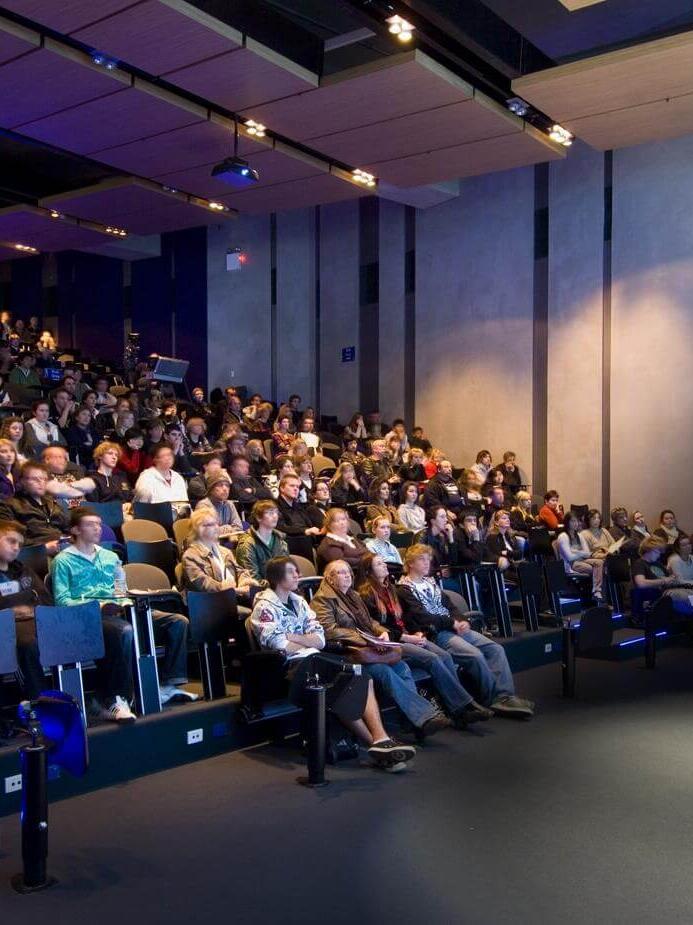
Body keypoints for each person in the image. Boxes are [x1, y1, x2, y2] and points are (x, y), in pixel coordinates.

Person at [251, 556, 416, 771]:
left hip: (315, 659)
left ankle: (379, 742)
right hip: (290, 667)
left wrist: (294, 637)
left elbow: (319, 639)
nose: (298, 575)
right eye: (292, 572)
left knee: (359, 675)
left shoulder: (299, 601)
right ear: (277, 577)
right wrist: (303, 639)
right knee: (341, 687)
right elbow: (278, 644)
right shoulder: (264, 607)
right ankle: (379, 742)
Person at [51, 508, 196, 718]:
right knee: (124, 631)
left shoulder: (110, 557)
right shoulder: (63, 561)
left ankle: (167, 684)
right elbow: (62, 601)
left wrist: (124, 600)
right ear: (75, 529)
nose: (97, 528)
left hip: (120, 609)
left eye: (99, 524)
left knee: (177, 621)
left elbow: (120, 589)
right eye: (90, 524)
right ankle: (117, 698)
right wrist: (97, 606)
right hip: (89, 617)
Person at [311, 560, 450, 739]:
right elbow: (329, 631)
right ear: (329, 578)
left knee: (402, 667)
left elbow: (371, 623)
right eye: (340, 572)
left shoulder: (353, 595)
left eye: (348, 572)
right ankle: (423, 718)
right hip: (348, 653)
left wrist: (382, 633)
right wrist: (366, 639)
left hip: (371, 647)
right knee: (384, 671)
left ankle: (413, 721)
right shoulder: (322, 599)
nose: (347, 575)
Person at [397, 545, 533, 716]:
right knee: (474, 655)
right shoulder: (404, 589)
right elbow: (423, 617)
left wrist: (461, 620)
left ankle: (505, 695)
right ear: (410, 563)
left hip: (453, 626)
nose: (427, 563)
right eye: (421, 559)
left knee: (495, 649)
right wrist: (451, 623)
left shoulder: (429, 582)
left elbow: (449, 605)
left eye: (428, 559)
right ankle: (493, 699)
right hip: (437, 632)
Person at [358, 553, 491, 727]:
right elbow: (376, 627)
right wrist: (408, 637)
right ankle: (462, 708)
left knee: (445, 656)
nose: (384, 566)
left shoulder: (391, 589)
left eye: (384, 562)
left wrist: (417, 632)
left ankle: (456, 707)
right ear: (369, 570)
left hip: (409, 635)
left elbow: (406, 618)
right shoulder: (365, 594)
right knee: (432, 658)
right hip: (393, 641)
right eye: (378, 564)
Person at [0, 519, 52, 698]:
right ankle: (39, 699)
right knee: (28, 643)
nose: (16, 548)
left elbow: (45, 599)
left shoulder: (24, 570)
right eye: (11, 541)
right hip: (6, 628)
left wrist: (18, 604)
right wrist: (24, 600)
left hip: (34, 622)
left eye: (20, 544)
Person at [181, 508, 259, 606]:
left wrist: (244, 581)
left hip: (231, 599)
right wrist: (231, 590)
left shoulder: (224, 551)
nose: (216, 528)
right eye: (210, 525)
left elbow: (239, 571)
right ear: (198, 529)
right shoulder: (190, 556)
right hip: (208, 605)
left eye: (216, 524)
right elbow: (203, 584)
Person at [0, 461, 69, 551]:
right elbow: (9, 537)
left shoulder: (52, 504)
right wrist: (42, 548)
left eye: (44, 479)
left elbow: (68, 528)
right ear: (22, 481)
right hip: (35, 553)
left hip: (62, 548)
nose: (41, 482)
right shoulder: (9, 505)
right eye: (35, 479)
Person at [632, 536, 693, 616]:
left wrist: (672, 579)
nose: (659, 554)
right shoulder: (640, 564)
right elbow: (641, 583)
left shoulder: (657, 564)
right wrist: (663, 581)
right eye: (657, 551)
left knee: (688, 596)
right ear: (649, 550)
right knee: (686, 597)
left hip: (669, 592)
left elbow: (670, 578)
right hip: (656, 595)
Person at [235, 500, 290, 582]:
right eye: (270, 513)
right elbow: (252, 579)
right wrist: (279, 586)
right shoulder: (247, 544)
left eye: (276, 512)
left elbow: (287, 570)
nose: (275, 516)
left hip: (280, 589)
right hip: (260, 592)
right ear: (258, 517)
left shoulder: (281, 541)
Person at [555, 510, 604, 600]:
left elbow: (587, 553)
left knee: (600, 562)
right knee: (595, 569)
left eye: (577, 521)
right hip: (571, 564)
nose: (576, 523)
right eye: (573, 521)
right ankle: (595, 592)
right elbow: (569, 557)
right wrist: (581, 553)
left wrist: (575, 551)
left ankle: (597, 591)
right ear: (567, 522)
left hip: (582, 560)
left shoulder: (579, 535)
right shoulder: (563, 536)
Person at [133, 445, 189, 517]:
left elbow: (184, 504)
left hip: (177, 519)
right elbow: (141, 504)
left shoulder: (178, 477)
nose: (168, 458)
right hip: (154, 519)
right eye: (163, 456)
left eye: (170, 455)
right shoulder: (146, 476)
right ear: (155, 459)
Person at [275, 473, 321, 559]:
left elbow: (308, 524)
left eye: (297, 487)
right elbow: (281, 527)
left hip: (306, 540)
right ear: (282, 488)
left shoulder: (298, 506)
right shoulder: (275, 506)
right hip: (291, 542)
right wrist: (304, 531)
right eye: (292, 486)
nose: (296, 489)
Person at [316, 507, 368, 576]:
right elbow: (341, 562)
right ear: (329, 524)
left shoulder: (352, 539)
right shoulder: (329, 543)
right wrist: (365, 559)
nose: (342, 523)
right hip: (341, 578)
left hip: (360, 573)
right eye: (337, 521)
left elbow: (367, 552)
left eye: (344, 519)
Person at [195, 473, 244, 544]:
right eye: (220, 485)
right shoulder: (203, 505)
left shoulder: (230, 504)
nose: (225, 489)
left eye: (227, 486)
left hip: (225, 543)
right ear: (211, 489)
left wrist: (224, 529)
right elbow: (206, 531)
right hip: (207, 545)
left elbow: (239, 527)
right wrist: (226, 528)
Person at [416, 505, 458, 577]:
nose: (446, 520)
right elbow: (419, 562)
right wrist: (437, 572)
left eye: (446, 516)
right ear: (433, 521)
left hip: (440, 576)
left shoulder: (443, 536)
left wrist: (451, 539)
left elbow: (453, 561)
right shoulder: (422, 536)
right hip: (426, 577)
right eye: (442, 517)